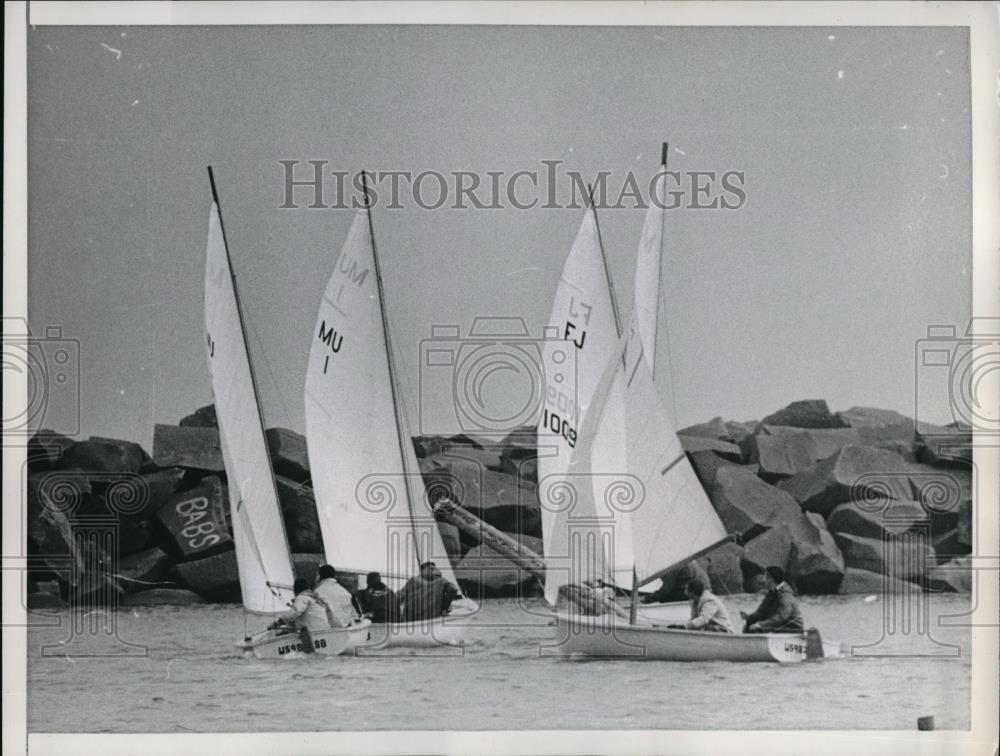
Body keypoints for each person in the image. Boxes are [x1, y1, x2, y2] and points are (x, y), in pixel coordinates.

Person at [741, 566, 804, 633]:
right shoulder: (771, 593)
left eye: (765, 577)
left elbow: (781, 616)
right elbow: (761, 612)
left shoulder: (786, 595)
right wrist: (748, 618)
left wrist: (760, 625)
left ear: (770, 579)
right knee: (749, 625)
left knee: (756, 628)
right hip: (779, 625)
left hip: (792, 628)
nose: (763, 580)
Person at [668, 578, 735, 633]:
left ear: (693, 592)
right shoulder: (694, 601)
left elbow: (704, 619)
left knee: (703, 628)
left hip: (724, 630)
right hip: (712, 628)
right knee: (696, 628)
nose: (687, 595)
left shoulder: (710, 600)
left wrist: (684, 627)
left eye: (688, 592)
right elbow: (694, 619)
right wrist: (682, 627)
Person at [641, 561, 712, 604]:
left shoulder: (672, 568)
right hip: (706, 591)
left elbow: (665, 591)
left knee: (664, 597)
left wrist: (647, 599)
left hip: (698, 593)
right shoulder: (688, 562)